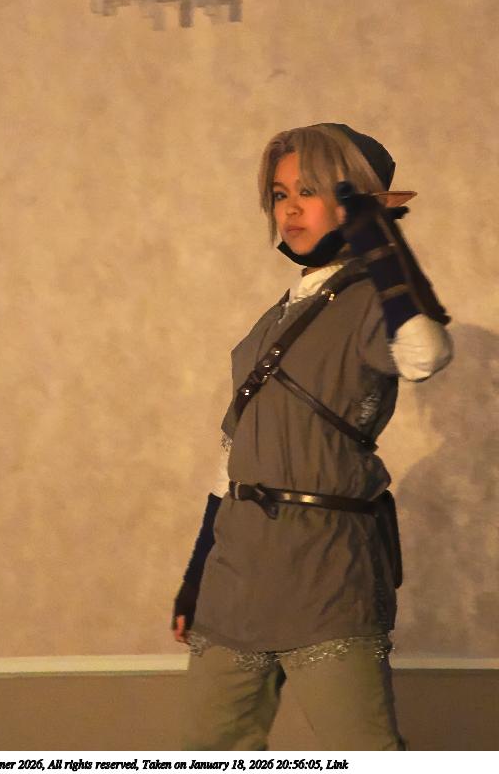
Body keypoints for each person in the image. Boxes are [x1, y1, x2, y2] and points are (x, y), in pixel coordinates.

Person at [172, 122, 452, 750]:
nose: (290, 208)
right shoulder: (271, 320)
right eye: (280, 194)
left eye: (311, 190)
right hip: (235, 576)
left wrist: (383, 251)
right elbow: (231, 459)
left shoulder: (374, 302)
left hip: (326, 569)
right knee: (207, 751)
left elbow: (427, 354)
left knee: (365, 753)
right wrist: (197, 574)